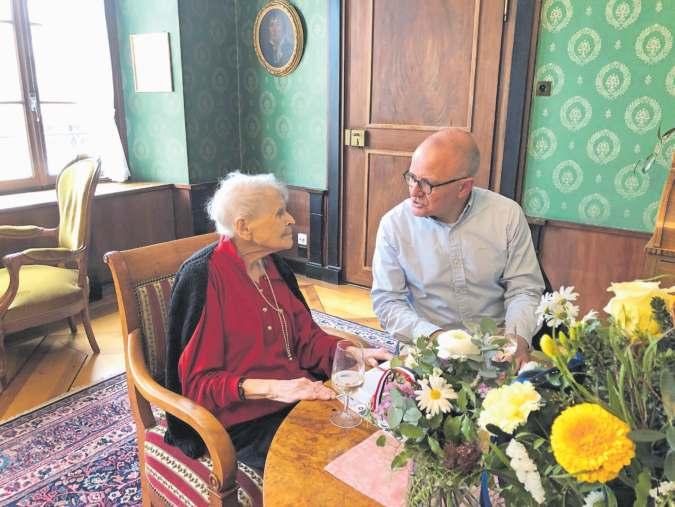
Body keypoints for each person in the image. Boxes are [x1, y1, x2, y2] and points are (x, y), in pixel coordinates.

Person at [164, 172, 390, 471]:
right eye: (280, 213)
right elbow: (199, 385)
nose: (291, 220)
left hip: (298, 399)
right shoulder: (204, 277)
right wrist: (276, 389)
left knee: (370, 443)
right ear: (243, 227)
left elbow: (306, 340)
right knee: (327, 471)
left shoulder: (273, 266)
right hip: (243, 422)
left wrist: (349, 353)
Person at [371, 128, 544, 369]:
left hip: (496, 346)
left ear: (463, 187)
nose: (414, 191)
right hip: (428, 347)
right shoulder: (394, 225)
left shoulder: (506, 215)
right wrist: (437, 338)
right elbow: (388, 302)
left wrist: (517, 341)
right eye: (411, 177)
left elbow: (524, 289)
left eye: (426, 183)